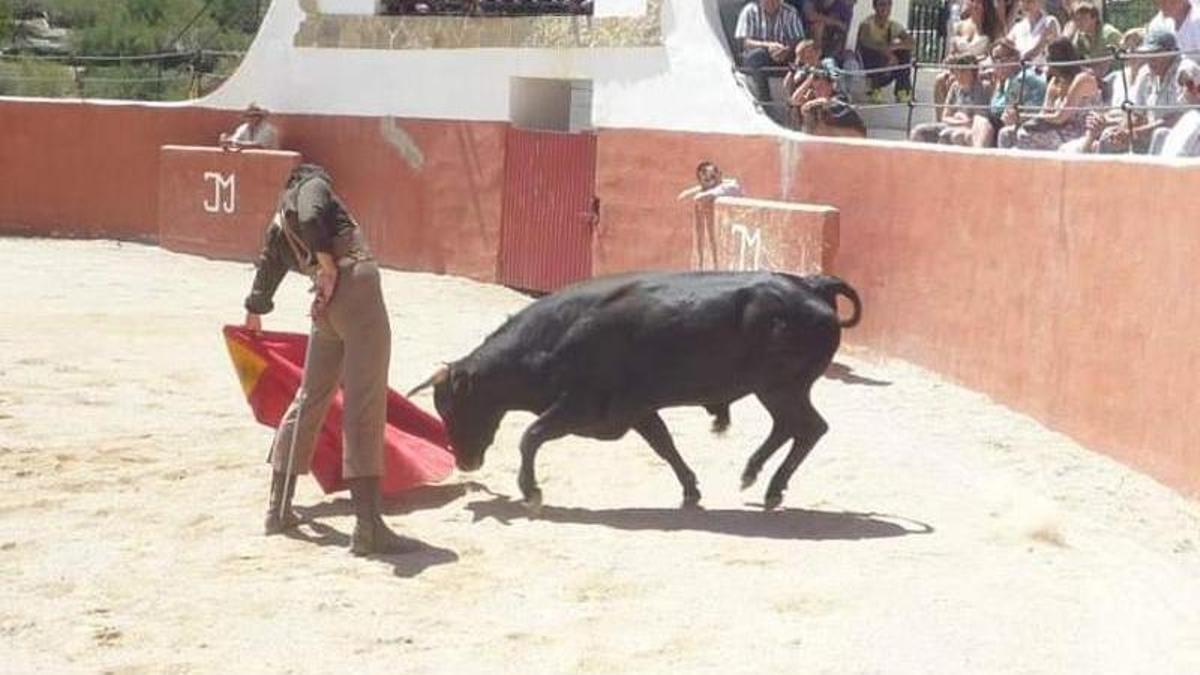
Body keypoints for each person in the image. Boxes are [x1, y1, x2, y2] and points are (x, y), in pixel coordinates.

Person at [243, 163, 418, 556]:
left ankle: (279, 510)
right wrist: (326, 264)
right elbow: (312, 214)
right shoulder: (312, 185)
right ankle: (368, 527)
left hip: (325, 306)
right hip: (354, 289)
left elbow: (269, 262)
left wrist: (255, 308)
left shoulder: (279, 222)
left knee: (309, 398)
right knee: (364, 403)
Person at [996, 36, 1101, 150]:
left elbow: (1060, 117)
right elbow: (1045, 112)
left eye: (1048, 57)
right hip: (1055, 129)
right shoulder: (1055, 81)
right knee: (1005, 134)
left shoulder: (1083, 79)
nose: (1045, 61)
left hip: (1078, 132)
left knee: (1025, 136)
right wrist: (1018, 118)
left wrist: (1023, 117)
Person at [970, 39, 1048, 146]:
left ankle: (979, 153)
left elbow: (1009, 114)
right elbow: (997, 110)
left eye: (999, 58)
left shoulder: (1022, 78)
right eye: (994, 59)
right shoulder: (1009, 78)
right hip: (1017, 120)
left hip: (1031, 123)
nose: (996, 64)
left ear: (1014, 58)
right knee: (978, 121)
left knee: (981, 120)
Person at [933, 0, 1000, 120]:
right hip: (959, 66)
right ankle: (941, 120)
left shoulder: (992, 27)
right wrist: (952, 61)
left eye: (980, 3)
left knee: (969, 79)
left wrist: (972, 65)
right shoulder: (960, 26)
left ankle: (970, 118)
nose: (975, 5)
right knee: (940, 79)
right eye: (973, 1)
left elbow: (994, 55)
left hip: (979, 68)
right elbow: (952, 52)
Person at [735, 0, 807, 108]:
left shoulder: (790, 12)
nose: (771, 2)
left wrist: (786, 50)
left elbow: (798, 39)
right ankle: (765, 98)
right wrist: (769, 46)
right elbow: (746, 42)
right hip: (760, 55)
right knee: (756, 56)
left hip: (785, 54)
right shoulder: (749, 11)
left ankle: (798, 103)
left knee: (803, 56)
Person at [677, 161, 743, 271]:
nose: (713, 181)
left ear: (720, 174)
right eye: (707, 179)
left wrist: (700, 191)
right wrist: (699, 189)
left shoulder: (731, 187)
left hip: (733, 246)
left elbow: (711, 194)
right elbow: (682, 198)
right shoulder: (706, 190)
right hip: (712, 248)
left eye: (714, 176)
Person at [911, 55, 991, 144]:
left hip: (968, 129)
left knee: (946, 135)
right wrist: (959, 120)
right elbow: (945, 117)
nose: (959, 75)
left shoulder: (983, 88)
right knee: (918, 131)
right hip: (952, 124)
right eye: (957, 71)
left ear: (973, 72)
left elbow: (978, 119)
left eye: (963, 71)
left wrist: (959, 118)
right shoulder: (955, 87)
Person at [856, 0, 915, 103]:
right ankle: (874, 89)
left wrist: (894, 47)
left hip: (888, 64)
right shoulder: (867, 24)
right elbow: (865, 43)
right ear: (874, 7)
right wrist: (888, 54)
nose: (885, 8)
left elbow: (911, 43)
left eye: (888, 5)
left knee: (904, 53)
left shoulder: (893, 25)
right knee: (871, 51)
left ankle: (902, 90)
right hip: (870, 67)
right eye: (881, 4)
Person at [1068, 2, 1121, 76]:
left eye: (1084, 18)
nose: (1079, 22)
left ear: (1094, 19)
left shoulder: (1109, 34)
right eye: (1077, 19)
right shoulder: (1081, 37)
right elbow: (1073, 56)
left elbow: (1109, 63)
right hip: (1096, 74)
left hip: (1116, 74)